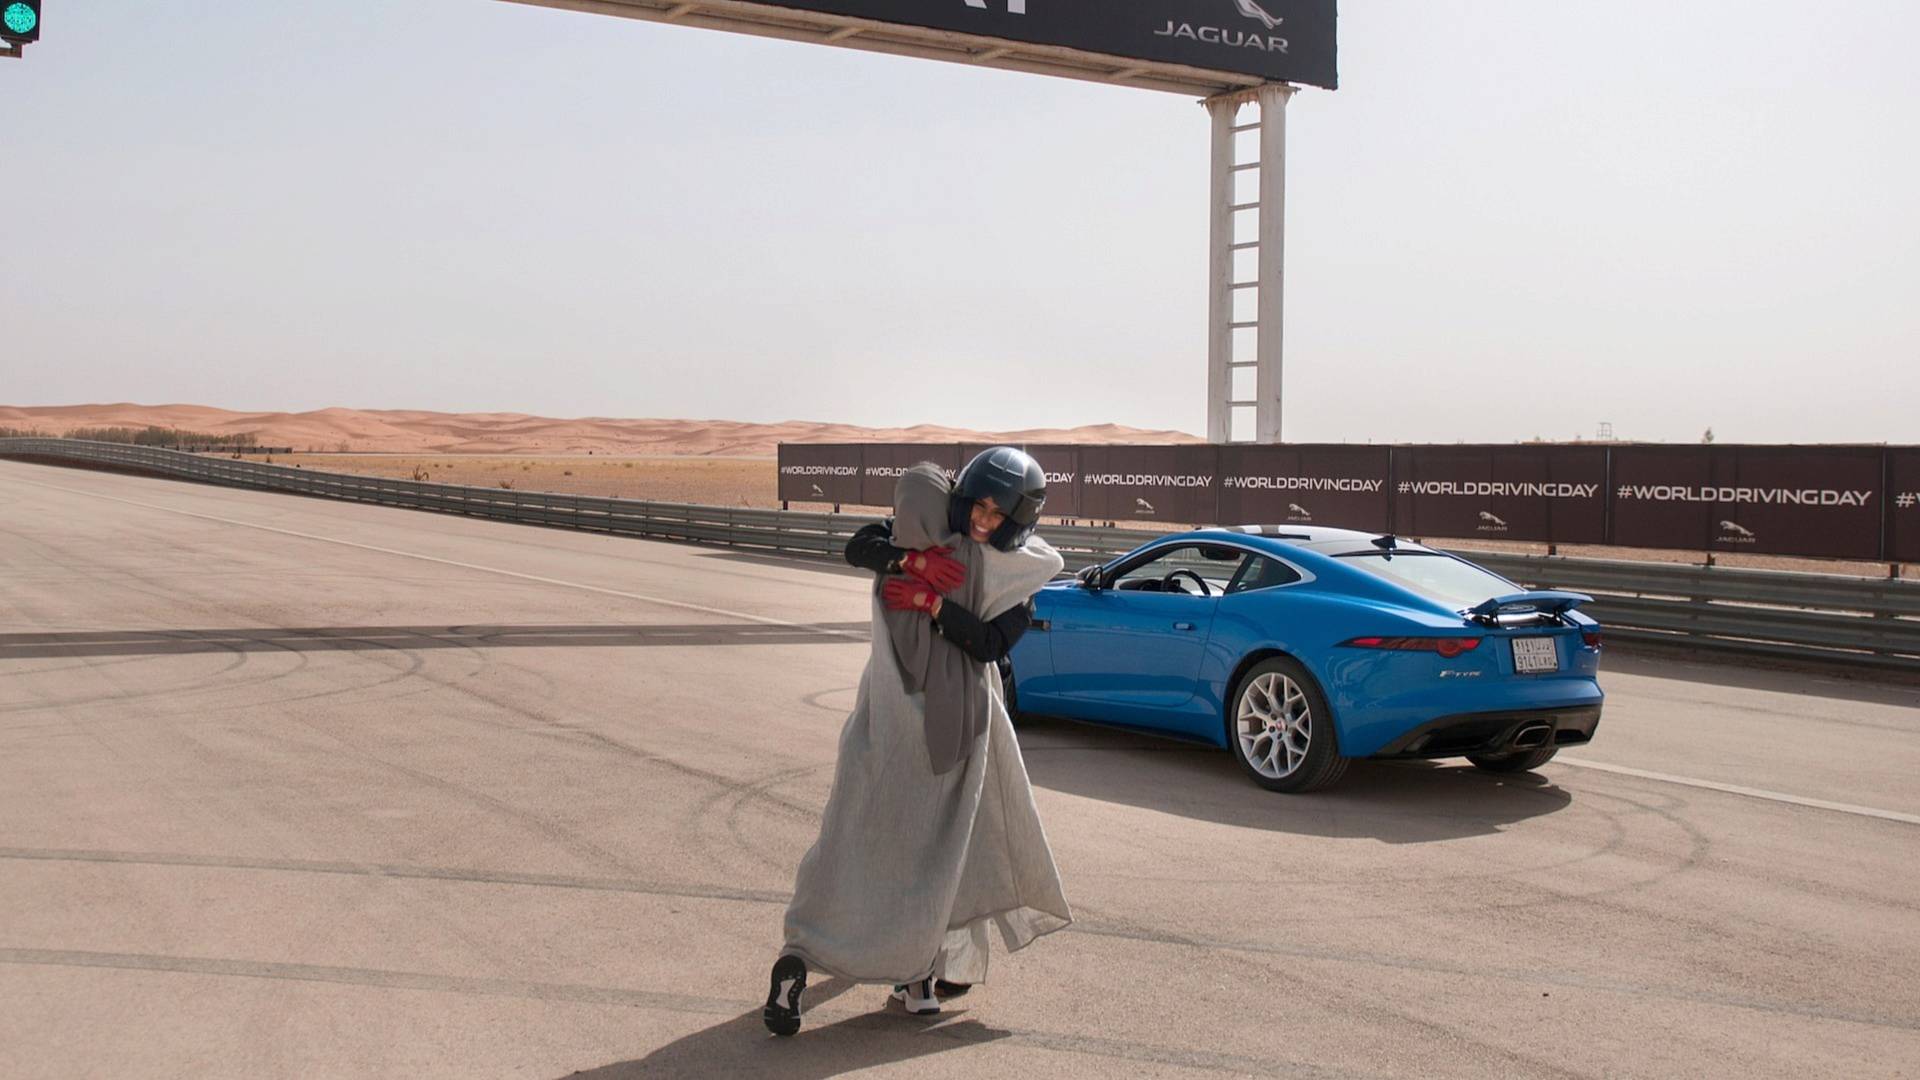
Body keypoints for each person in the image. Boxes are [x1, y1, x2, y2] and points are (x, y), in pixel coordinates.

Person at [763, 447, 1070, 1036]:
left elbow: (990, 642)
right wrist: (911, 561)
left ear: (1016, 519)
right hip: (929, 731)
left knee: (889, 847)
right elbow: (862, 544)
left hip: (911, 729)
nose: (984, 520)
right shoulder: (927, 543)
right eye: (979, 506)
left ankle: (881, 962)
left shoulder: (1005, 570)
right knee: (919, 850)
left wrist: (930, 598)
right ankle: (906, 971)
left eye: (998, 513)